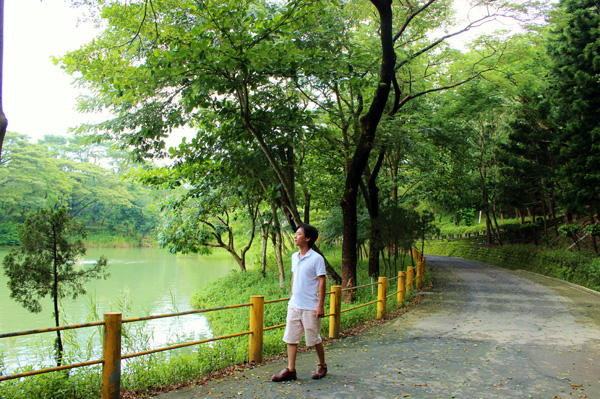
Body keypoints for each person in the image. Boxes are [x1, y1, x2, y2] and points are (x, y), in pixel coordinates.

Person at [271, 223, 328, 382]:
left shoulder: (317, 258)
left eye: (298, 234)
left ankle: (322, 364)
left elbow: (322, 282)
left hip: (310, 307)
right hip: (294, 305)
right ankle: (291, 370)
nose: (295, 236)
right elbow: (295, 277)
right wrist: (291, 296)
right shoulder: (294, 257)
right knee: (291, 337)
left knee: (314, 339)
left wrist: (320, 305)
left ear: (308, 238)